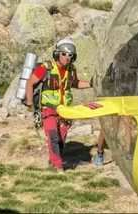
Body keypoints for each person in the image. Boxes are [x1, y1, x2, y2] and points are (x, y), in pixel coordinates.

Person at [25, 37, 92, 171]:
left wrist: (91, 84)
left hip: (66, 110)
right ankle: (58, 166)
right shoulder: (46, 67)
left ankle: (54, 160)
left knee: (61, 138)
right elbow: (30, 82)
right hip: (48, 108)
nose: (67, 57)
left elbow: (75, 83)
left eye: (70, 55)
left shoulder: (71, 69)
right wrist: (30, 103)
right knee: (53, 136)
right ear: (57, 53)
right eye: (64, 54)